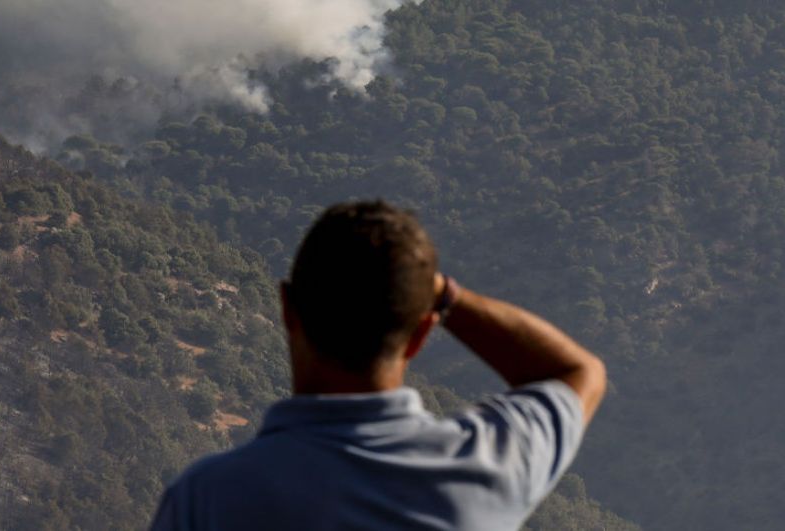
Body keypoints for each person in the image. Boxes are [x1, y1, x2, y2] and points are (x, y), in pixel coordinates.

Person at [150, 200, 607, 530]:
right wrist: (444, 294)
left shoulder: (207, 500)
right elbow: (576, 371)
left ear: (288, 309)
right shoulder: (484, 468)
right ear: (423, 333)